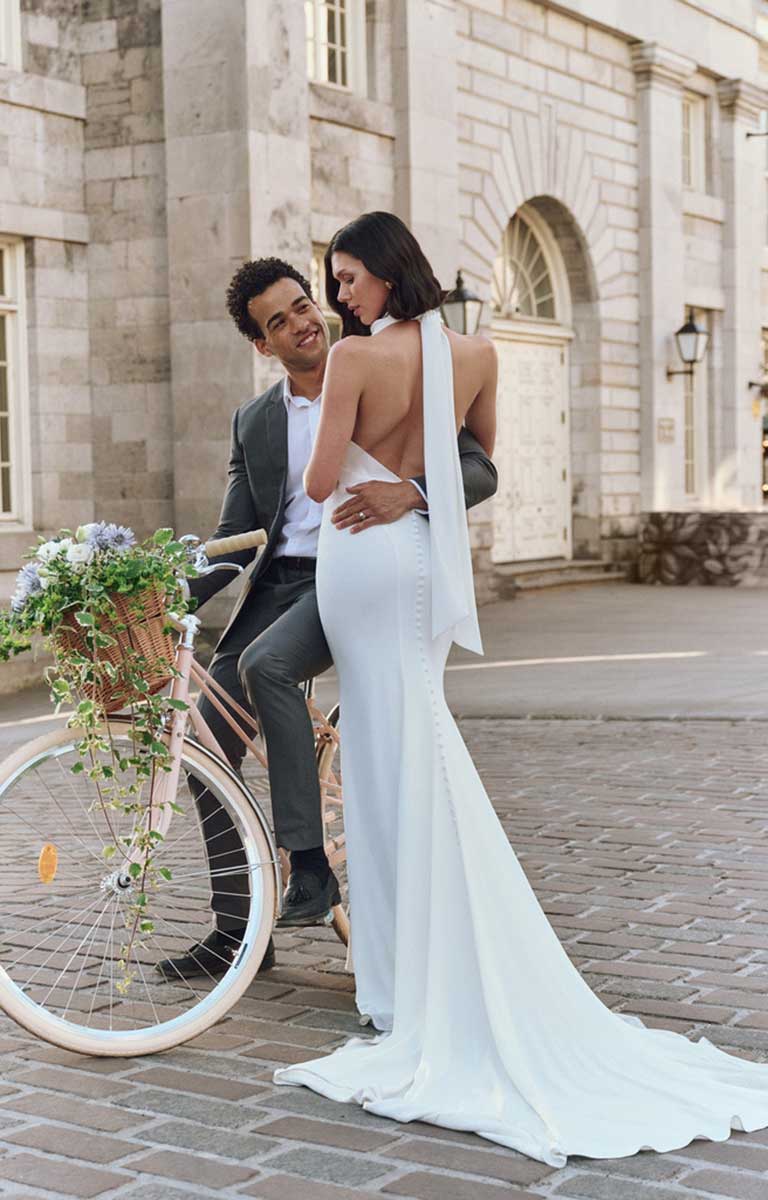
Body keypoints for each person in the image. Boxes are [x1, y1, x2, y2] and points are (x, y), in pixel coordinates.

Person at [273, 211, 768, 1165]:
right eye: (332, 283)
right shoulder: (480, 353)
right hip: (412, 555)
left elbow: (322, 477)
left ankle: (402, 984)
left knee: (385, 753)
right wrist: (417, 488)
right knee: (408, 734)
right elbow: (481, 466)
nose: (338, 297)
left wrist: (351, 449)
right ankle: (412, 968)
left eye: (345, 279)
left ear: (384, 272)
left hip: (359, 558)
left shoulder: (352, 362)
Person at [156, 256, 498, 980]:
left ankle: (309, 865)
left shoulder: (379, 370)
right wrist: (168, 594)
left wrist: (410, 492)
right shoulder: (256, 420)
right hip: (279, 584)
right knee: (208, 736)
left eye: (303, 304)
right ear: (262, 345)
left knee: (266, 668)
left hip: (354, 576)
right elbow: (236, 538)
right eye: (278, 321)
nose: (302, 322)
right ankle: (240, 930)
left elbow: (477, 466)